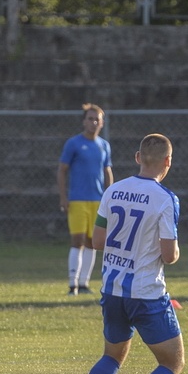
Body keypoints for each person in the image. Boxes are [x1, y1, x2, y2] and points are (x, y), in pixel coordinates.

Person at [75, 133, 182, 374]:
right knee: (172, 362)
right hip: (146, 294)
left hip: (112, 290)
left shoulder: (113, 190)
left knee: (112, 356)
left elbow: (96, 241)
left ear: (137, 157)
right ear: (168, 162)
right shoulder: (165, 198)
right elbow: (168, 254)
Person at [58, 103, 113, 296]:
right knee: (78, 240)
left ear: (102, 122)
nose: (93, 122)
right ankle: (72, 283)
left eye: (97, 119)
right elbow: (62, 170)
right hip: (78, 200)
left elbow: (107, 172)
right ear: (84, 121)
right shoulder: (73, 143)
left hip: (97, 200)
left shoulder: (104, 145)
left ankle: (84, 283)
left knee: (93, 241)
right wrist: (64, 196)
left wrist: (110, 196)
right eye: (90, 118)